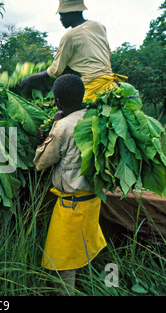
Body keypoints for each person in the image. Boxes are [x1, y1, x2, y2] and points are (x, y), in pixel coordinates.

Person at [33, 74, 107, 295]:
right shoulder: (96, 117)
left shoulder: (63, 126)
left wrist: (49, 133)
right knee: (80, 251)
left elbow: (41, 162)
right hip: (92, 200)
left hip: (70, 206)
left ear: (57, 101)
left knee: (61, 262)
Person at [20, 0, 127, 101]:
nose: (60, 19)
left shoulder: (69, 36)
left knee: (64, 119)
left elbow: (56, 71)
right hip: (112, 86)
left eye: (62, 15)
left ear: (71, 13)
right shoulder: (99, 26)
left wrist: (32, 78)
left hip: (92, 90)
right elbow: (107, 54)